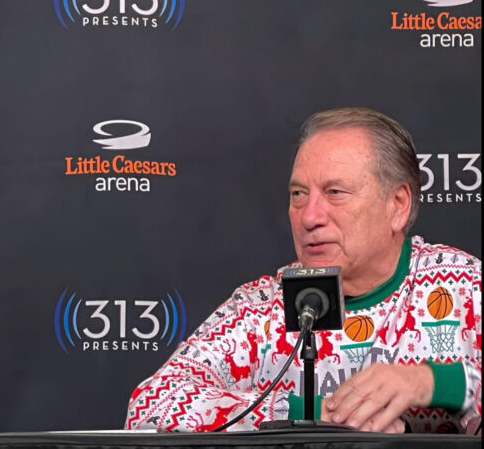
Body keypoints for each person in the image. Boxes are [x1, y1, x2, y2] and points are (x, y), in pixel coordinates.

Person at [125, 108, 482, 433]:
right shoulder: (261, 306)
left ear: (397, 205)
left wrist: (438, 382)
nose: (309, 217)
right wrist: (309, 415)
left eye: (335, 192)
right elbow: (152, 403)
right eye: (298, 194)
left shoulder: (466, 286)